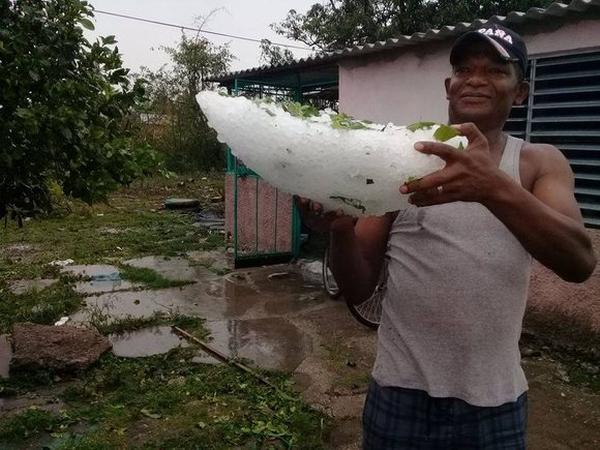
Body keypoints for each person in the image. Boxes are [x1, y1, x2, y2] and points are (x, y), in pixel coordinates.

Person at [296, 23, 597, 449]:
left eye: (495, 70)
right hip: (399, 392)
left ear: (521, 92)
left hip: (494, 399)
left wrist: (492, 188)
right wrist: (341, 228)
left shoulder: (537, 163)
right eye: (464, 69)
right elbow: (358, 286)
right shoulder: (403, 158)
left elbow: (579, 262)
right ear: (447, 85)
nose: (475, 79)